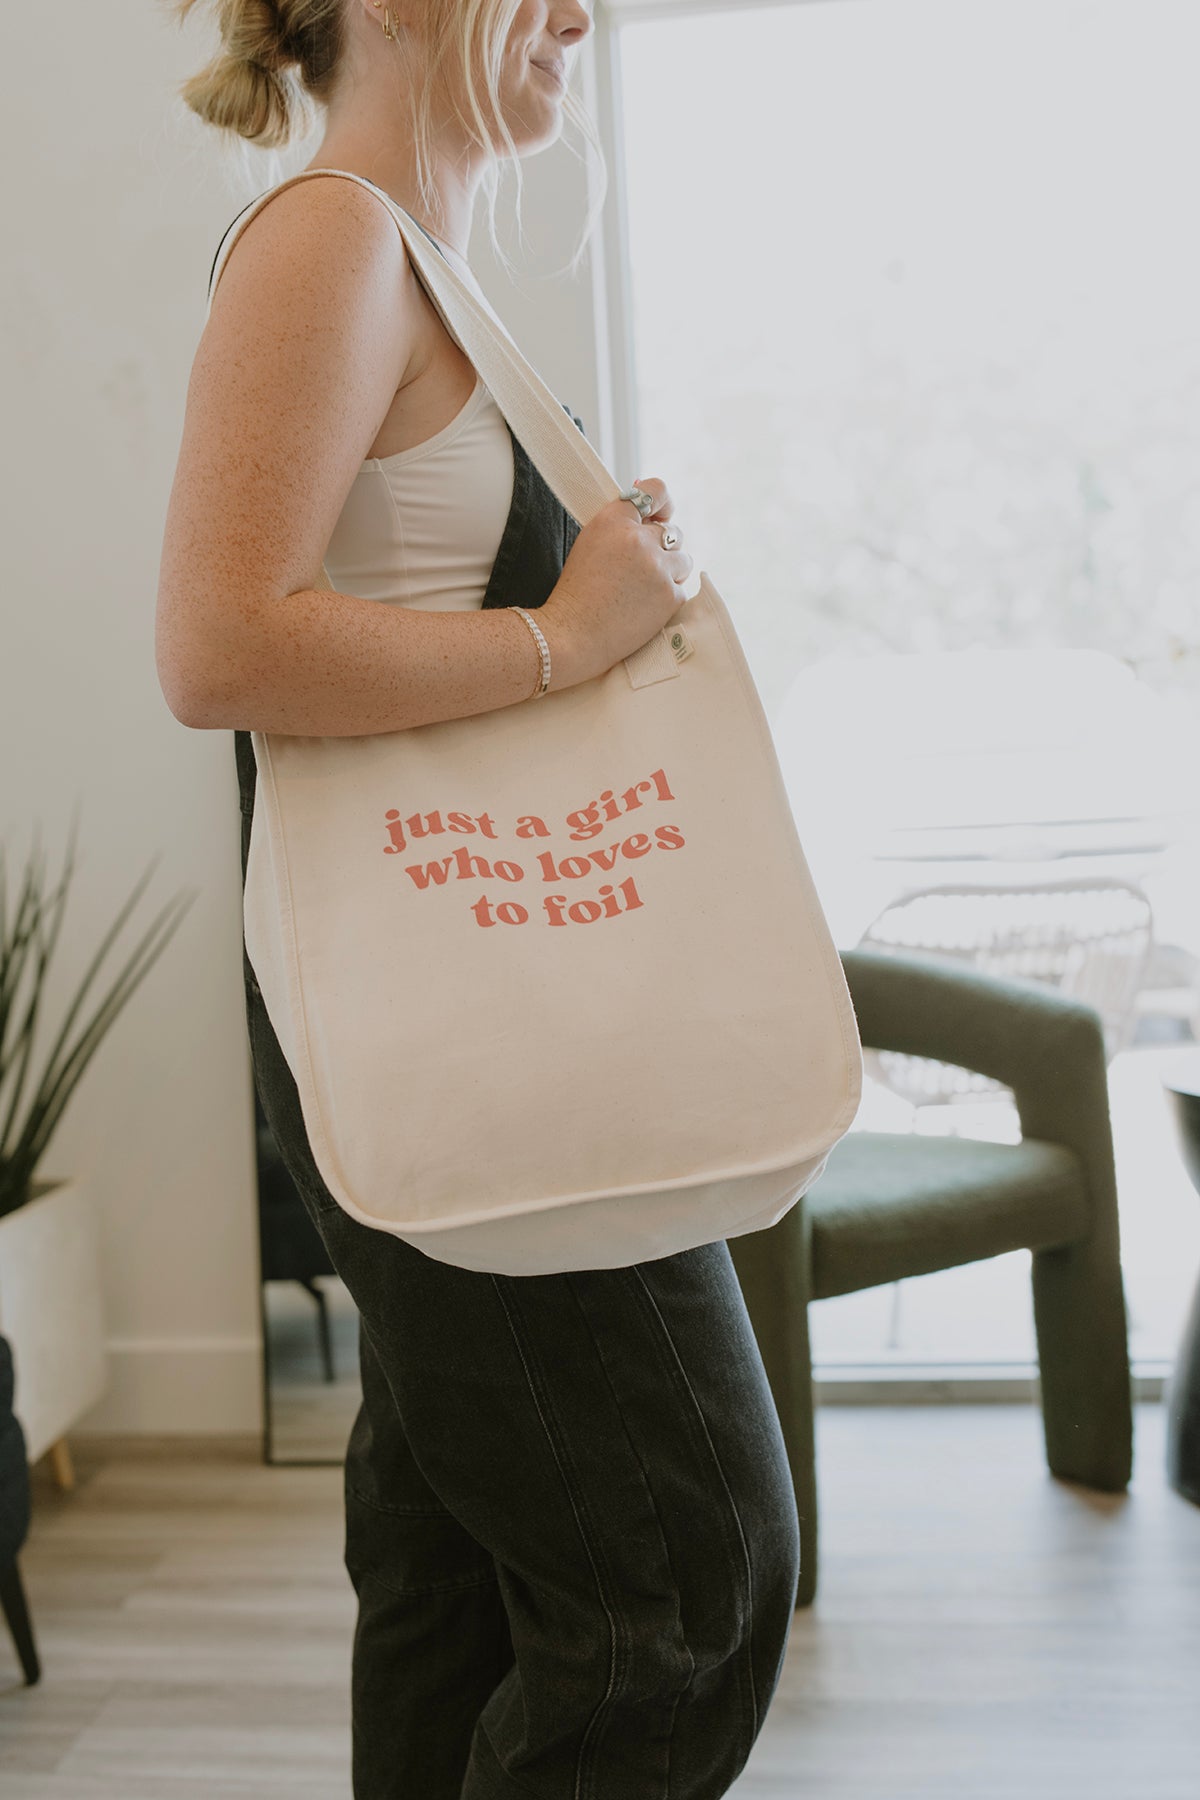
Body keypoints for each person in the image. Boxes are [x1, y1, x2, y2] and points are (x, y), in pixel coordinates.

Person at [155, 2, 802, 1794]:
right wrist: (565, 635)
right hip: (474, 1046)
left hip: (463, 1025)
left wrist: (597, 592)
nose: (581, 12)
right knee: (693, 1580)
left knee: (452, 1557)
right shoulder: (331, 242)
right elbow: (216, 648)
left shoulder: (408, 259)